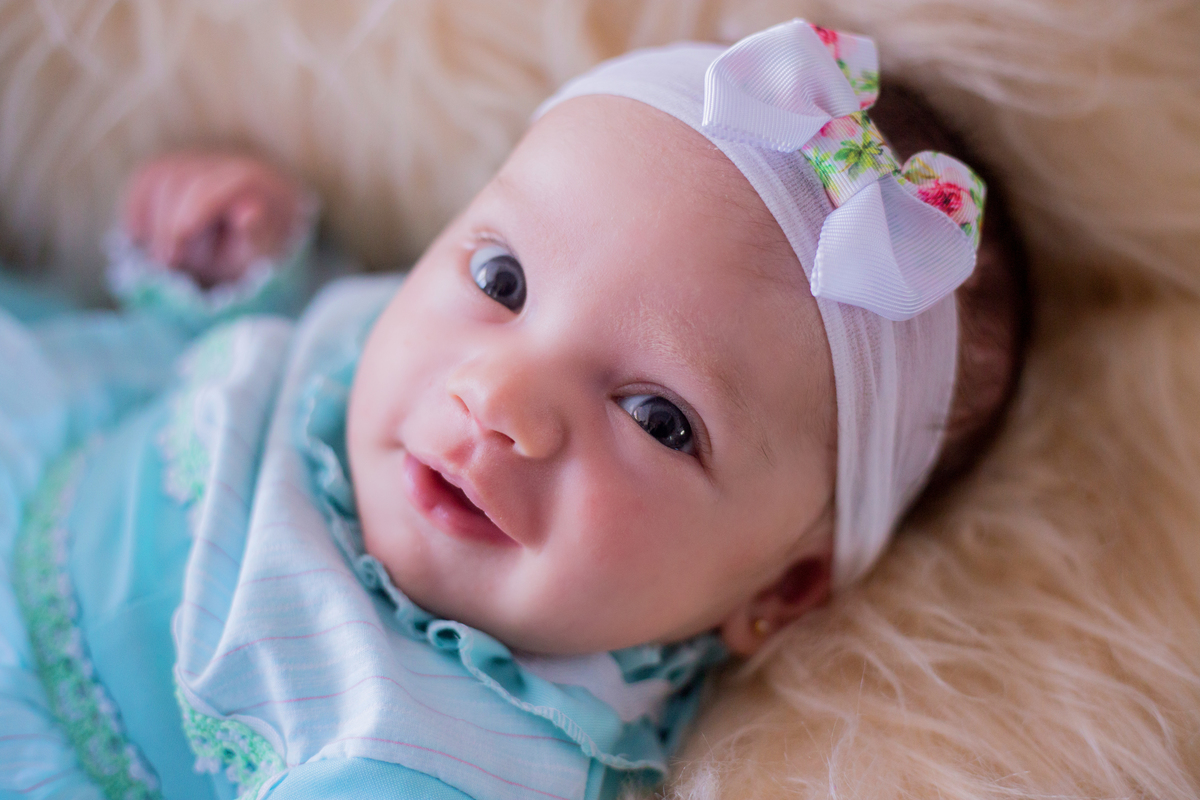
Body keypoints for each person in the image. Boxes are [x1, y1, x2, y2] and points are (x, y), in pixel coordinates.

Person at [0, 19, 1028, 800]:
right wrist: (237, 269)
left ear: (785, 585)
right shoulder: (386, 365)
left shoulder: (464, 749)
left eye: (658, 417)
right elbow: (293, 335)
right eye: (501, 278)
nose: (501, 399)